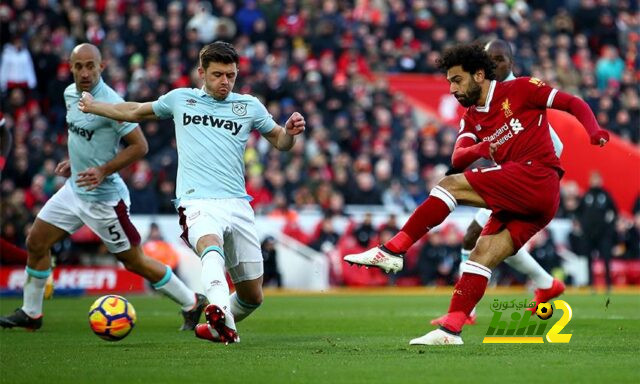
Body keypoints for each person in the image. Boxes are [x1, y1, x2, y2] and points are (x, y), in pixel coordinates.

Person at [344, 43, 609, 345]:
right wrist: (480, 149)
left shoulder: (522, 89)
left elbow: (573, 102)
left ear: (479, 75)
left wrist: (593, 130)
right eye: (449, 82)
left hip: (536, 176)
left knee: (451, 186)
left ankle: (392, 250)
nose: (453, 89)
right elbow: (458, 157)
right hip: (532, 200)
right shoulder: (471, 117)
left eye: (457, 80)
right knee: (480, 254)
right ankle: (451, 330)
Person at [77, 41, 306, 344]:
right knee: (210, 247)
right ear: (201, 72)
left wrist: (289, 134)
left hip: (237, 203)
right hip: (196, 200)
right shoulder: (180, 99)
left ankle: (216, 324)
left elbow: (279, 139)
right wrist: (95, 107)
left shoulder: (248, 106)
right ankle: (220, 311)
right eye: (218, 75)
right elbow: (134, 111)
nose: (225, 82)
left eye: (231, 75)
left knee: (252, 297)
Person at [0, 44, 207, 332]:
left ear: (102, 67)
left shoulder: (111, 102)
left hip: (105, 199)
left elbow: (140, 146)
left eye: (90, 66)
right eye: (79, 66)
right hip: (75, 190)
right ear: (70, 67)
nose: (84, 72)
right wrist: (75, 161)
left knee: (134, 262)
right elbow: (82, 137)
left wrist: (102, 170)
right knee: (36, 241)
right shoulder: (69, 94)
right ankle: (31, 313)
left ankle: (192, 301)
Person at [432, 40, 566, 326]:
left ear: (511, 62)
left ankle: (466, 310)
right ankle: (545, 284)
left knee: (477, 239)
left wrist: (532, 173)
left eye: (500, 59)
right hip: (511, 179)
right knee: (486, 241)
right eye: (489, 59)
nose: (495, 64)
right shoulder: (484, 96)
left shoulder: (521, 92)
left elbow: (556, 143)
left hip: (527, 183)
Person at [577, 171, 618, 289]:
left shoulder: (605, 195)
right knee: (589, 259)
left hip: (603, 233)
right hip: (589, 234)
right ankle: (591, 284)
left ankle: (608, 284)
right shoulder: (586, 195)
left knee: (606, 257)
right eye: (593, 179)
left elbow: (614, 212)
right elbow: (579, 212)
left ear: (601, 180)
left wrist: (609, 226)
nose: (595, 182)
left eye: (597, 179)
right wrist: (583, 225)